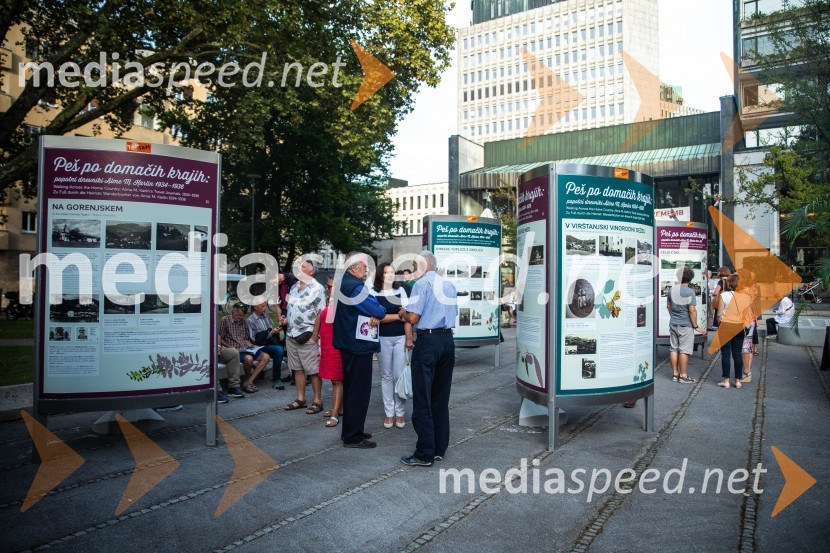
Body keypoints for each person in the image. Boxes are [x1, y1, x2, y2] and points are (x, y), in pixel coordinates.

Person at [401, 250, 458, 467]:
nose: (414, 270)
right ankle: (438, 448)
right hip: (447, 342)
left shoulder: (421, 285)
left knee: (423, 398)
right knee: (440, 398)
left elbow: (413, 317)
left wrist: (402, 313)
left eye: (415, 266)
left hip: (428, 342)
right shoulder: (449, 285)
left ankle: (424, 453)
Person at [332, 252, 387, 449]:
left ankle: (351, 430)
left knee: (351, 390)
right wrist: (376, 312)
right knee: (358, 392)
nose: (366, 269)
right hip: (357, 346)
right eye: (363, 266)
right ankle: (353, 436)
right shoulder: (354, 287)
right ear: (352, 267)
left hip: (348, 343)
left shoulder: (344, 283)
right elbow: (378, 310)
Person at [372, 262, 413, 430]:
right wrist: (397, 316)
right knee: (386, 376)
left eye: (392, 272)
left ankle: (400, 412)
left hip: (400, 338)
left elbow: (408, 317)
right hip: (382, 338)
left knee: (399, 375)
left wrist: (409, 338)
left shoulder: (400, 291)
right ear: (381, 275)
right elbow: (374, 318)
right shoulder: (373, 293)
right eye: (387, 272)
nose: (390, 275)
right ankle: (389, 413)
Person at [282, 260, 326, 414]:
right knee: (297, 369)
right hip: (291, 333)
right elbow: (292, 309)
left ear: (312, 271)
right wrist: (286, 320)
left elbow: (321, 313)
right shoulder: (294, 287)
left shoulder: (317, 288)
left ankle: (317, 401)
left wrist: (315, 336)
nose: (299, 268)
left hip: (307, 334)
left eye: (304, 267)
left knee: (313, 370)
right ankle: (301, 399)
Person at [219, 303, 271, 394]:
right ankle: (247, 381)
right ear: (233, 312)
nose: (240, 317)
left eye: (242, 315)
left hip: (245, 348)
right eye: (238, 315)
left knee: (265, 357)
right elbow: (220, 337)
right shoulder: (225, 320)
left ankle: (249, 381)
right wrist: (228, 346)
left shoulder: (244, 321)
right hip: (235, 349)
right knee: (248, 358)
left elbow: (246, 338)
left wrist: (251, 345)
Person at [312, 289, 343, 428]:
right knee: (333, 381)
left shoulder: (343, 304)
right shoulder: (328, 303)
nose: (331, 288)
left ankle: (335, 414)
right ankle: (338, 408)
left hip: (336, 347)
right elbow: (319, 323)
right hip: (325, 346)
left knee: (337, 381)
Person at [716, 273, 751, 389]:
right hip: (739, 327)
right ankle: (738, 381)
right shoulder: (746, 297)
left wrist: (720, 323)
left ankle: (726, 380)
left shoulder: (724, 296)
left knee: (726, 353)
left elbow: (719, 314)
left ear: (729, 283)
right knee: (737, 354)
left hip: (726, 326)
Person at [667, 266, 699, 383]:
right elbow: (692, 310)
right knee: (684, 350)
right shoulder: (690, 292)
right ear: (690, 278)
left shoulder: (671, 290)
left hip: (673, 323)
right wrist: (695, 325)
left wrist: (674, 317)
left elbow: (668, 307)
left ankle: (675, 374)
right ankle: (683, 376)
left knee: (674, 349)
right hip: (685, 325)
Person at [246, 302, 286, 390]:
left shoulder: (267, 317)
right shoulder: (250, 320)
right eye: (262, 306)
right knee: (279, 350)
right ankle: (276, 379)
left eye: (265, 306)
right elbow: (253, 339)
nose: (265, 308)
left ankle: (294, 376)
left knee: (287, 346)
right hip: (259, 346)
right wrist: (271, 333)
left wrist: (278, 329)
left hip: (270, 343)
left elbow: (272, 329)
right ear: (255, 307)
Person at [217, 338, 245, 402]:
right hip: (202, 347)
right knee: (210, 354)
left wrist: (218, 347)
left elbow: (218, 336)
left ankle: (233, 387)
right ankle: (216, 390)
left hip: (216, 347)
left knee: (234, 353)